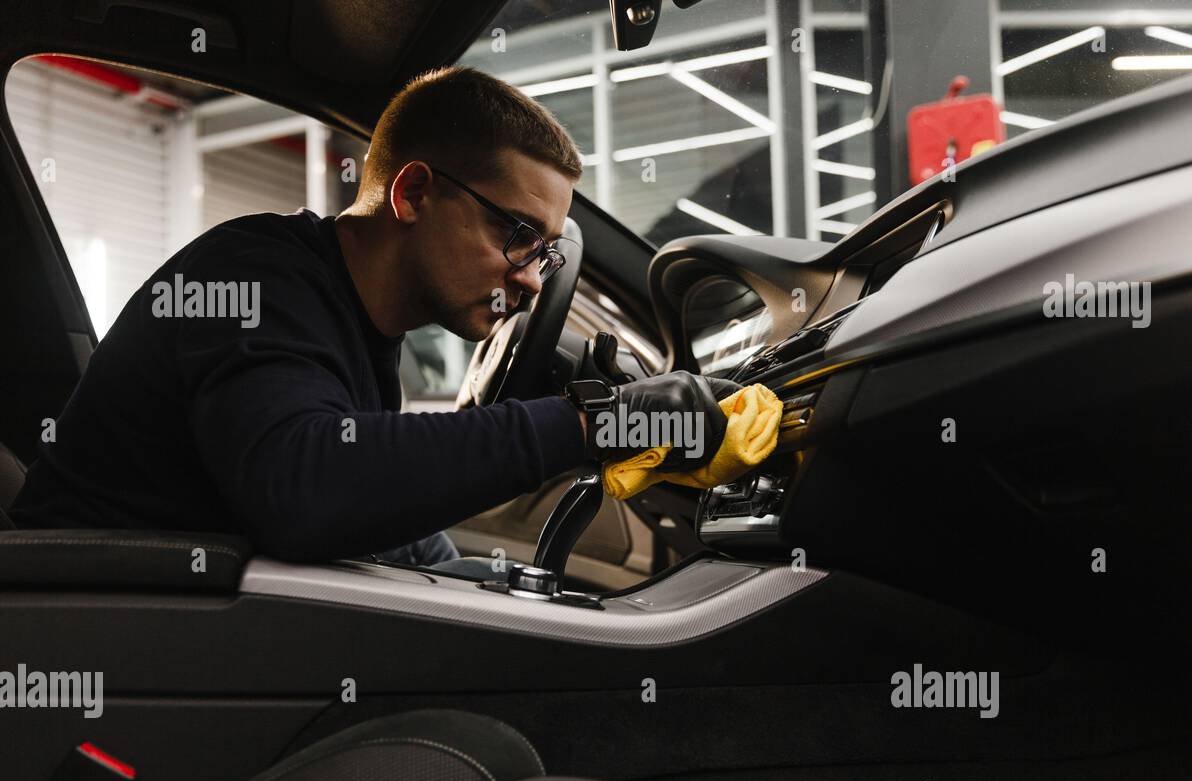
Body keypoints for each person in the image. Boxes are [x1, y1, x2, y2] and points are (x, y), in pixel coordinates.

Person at [9, 65, 736, 566]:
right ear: (414, 193)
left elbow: (372, 508)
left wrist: (471, 585)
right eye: (519, 237)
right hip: (94, 626)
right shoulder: (254, 278)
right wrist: (589, 424)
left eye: (547, 254)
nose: (532, 281)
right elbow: (307, 490)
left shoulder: (358, 323)